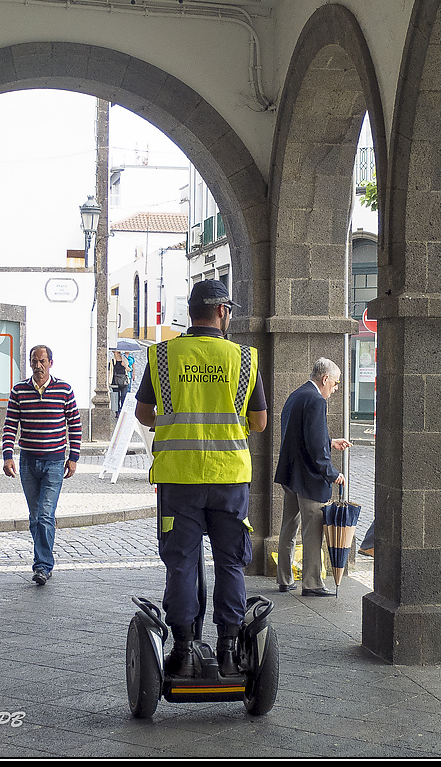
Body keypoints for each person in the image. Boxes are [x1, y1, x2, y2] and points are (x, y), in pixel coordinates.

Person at [135, 279, 267, 677]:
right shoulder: (244, 359)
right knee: (230, 564)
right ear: (224, 312)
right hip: (229, 481)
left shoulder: (162, 356)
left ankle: (182, 650)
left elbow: (143, 413)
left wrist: (174, 425)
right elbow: (259, 422)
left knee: (182, 565)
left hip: (179, 481)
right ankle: (228, 649)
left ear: (190, 313)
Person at [2, 345, 82, 586]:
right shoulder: (19, 391)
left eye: (42, 361)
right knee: (35, 517)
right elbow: (9, 426)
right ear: (30, 363)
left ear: (50, 363)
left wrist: (73, 457)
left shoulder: (64, 389)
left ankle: (42, 566)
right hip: (28, 462)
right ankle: (43, 560)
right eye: (34, 361)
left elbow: (75, 425)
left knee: (46, 515)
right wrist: (8, 456)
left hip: (55, 462)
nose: (38, 365)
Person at [274, 357, 352, 597]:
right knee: (312, 530)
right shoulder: (317, 400)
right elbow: (316, 448)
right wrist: (332, 473)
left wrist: (330, 441)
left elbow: (299, 436)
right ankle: (312, 583)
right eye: (335, 383)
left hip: (290, 475)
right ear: (325, 378)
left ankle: (285, 578)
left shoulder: (296, 395)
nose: (335, 389)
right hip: (308, 479)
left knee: (288, 527)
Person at [110, 350, 129, 417]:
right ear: (114, 353)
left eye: (119, 352)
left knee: (124, 397)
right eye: (117, 352)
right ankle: (117, 412)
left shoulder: (124, 360)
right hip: (115, 381)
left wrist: (125, 366)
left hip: (123, 381)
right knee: (116, 397)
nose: (119, 354)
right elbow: (110, 371)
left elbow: (129, 369)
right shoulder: (112, 361)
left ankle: (122, 411)